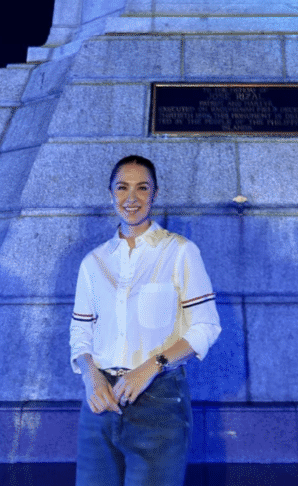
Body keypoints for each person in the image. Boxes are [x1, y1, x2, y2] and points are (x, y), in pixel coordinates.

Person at [70, 155, 221, 486]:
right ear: (111, 193)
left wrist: (152, 366)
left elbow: (206, 326)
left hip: (160, 400)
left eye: (142, 188)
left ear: (155, 194)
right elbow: (81, 332)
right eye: (122, 188)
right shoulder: (93, 262)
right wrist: (91, 378)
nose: (132, 198)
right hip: (101, 403)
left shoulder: (180, 252)